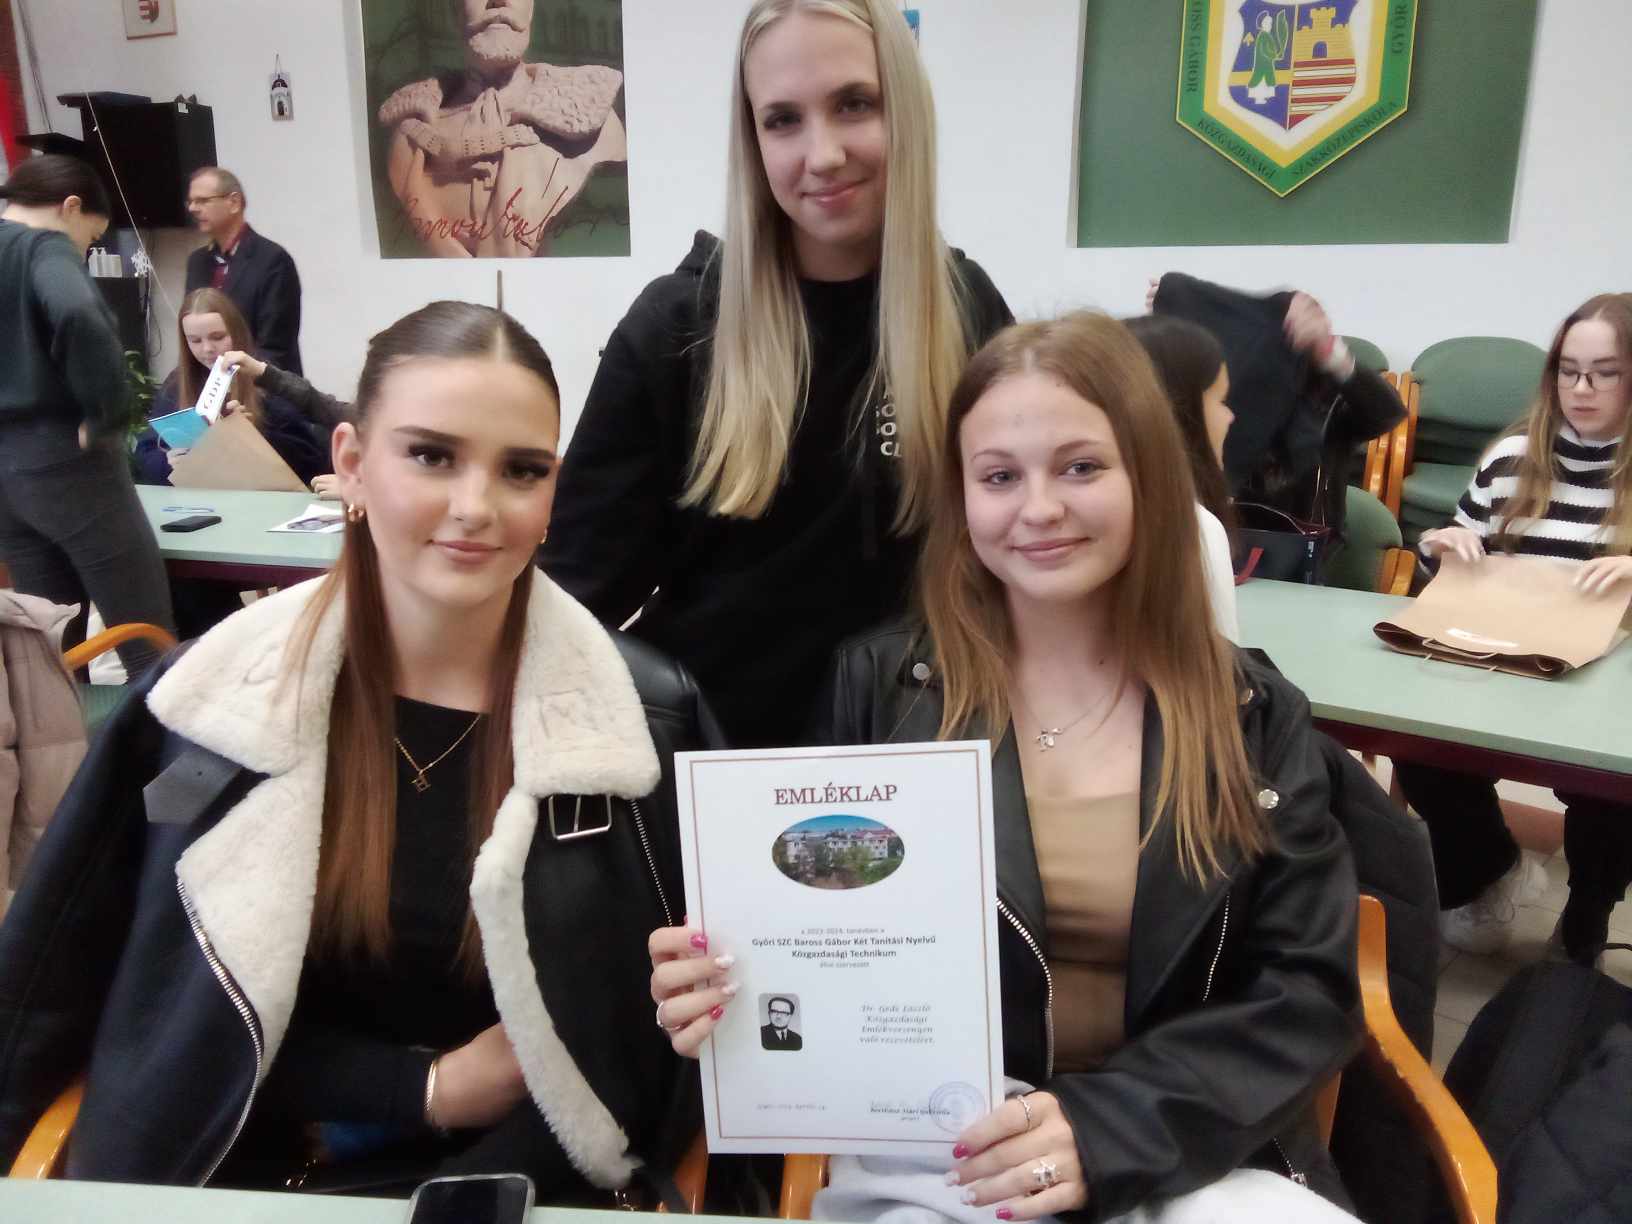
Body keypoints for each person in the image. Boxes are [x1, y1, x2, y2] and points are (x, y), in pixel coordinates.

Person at [0, 301, 717, 1202]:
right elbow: (88, 993)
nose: (475, 508)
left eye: (521, 470)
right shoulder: (201, 708)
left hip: (525, 1188)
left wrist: (698, 1013)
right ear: (350, 463)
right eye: (432, 456)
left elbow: (684, 1055)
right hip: (241, 1181)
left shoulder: (645, 723)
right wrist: (427, 1087)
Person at [652, 313, 1361, 1222]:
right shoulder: (881, 690)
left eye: (1081, 467)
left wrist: (1104, 1129)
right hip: (949, 1153)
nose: (1039, 509)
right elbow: (820, 948)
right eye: (998, 477)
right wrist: (723, 989)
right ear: (962, 500)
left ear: (1149, 474)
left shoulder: (1251, 715)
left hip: (1191, 1151)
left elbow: (1307, 991)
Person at [542, 0, 1012, 748]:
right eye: (783, 120)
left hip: (924, 761)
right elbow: (570, 602)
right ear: (752, 140)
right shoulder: (676, 331)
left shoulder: (969, 314)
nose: (822, 155)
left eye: (855, 104)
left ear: (907, 112)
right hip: (715, 771)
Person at [1396, 293, 1632, 964]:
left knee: (1615, 789)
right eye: (1568, 370)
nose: (1580, 390)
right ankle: (1489, 866)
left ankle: (1585, 918)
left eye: (1605, 373)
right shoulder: (1512, 455)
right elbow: (1450, 559)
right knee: (1422, 747)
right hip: (1506, 662)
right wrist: (1440, 548)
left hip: (1607, 684)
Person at [0, 154, 175, 675]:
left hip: (7, 478)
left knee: (53, 651)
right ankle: (161, 731)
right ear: (70, 206)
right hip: (68, 463)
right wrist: (106, 411)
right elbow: (78, 312)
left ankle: (66, 732)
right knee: (147, 641)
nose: (86, 250)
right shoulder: (44, 246)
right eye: (92, 239)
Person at [1150, 274, 1403, 543]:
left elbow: (1387, 412)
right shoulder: (1218, 402)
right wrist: (1170, 321)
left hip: (1305, 547)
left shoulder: (1328, 400)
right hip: (1218, 541)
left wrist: (1332, 355)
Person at [378, 0, 628, 257]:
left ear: (530, 9)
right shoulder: (411, 137)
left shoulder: (593, 121)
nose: (498, 1)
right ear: (456, 11)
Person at [134, 288, 329, 488]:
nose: (207, 349)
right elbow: (146, 451)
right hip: (199, 496)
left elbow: (310, 459)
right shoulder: (177, 383)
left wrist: (252, 435)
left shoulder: (264, 379)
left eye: (217, 337)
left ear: (236, 333)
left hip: (263, 496)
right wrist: (168, 464)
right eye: (195, 340)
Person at [1124, 314, 1239, 643]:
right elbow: (1219, 668)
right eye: (1221, 400)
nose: (1230, 416)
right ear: (1180, 411)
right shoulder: (1192, 528)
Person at [184, 167, 304, 374]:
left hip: (261, 382)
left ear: (234, 202)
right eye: (190, 201)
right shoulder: (197, 262)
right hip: (206, 383)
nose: (193, 208)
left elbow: (275, 347)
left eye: (202, 200)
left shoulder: (272, 260)